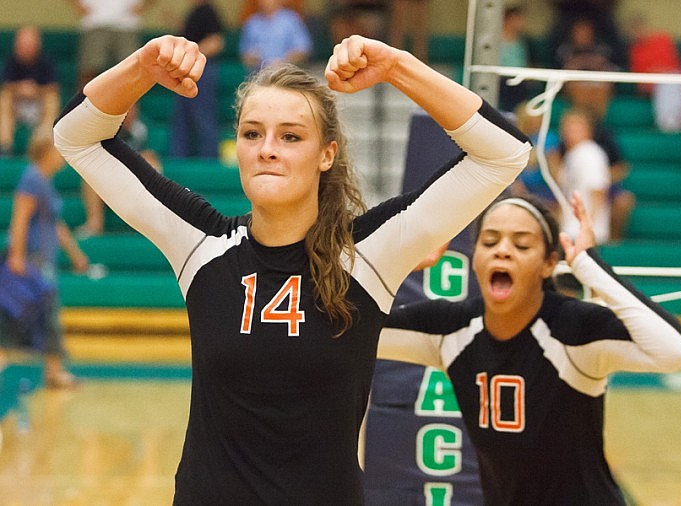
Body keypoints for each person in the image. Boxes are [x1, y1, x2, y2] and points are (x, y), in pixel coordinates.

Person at [53, 34, 532, 503]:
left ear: (327, 154)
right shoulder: (200, 243)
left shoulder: (368, 252)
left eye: (290, 136)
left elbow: (503, 153)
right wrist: (141, 68)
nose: (267, 149)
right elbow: (75, 136)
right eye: (252, 134)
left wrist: (394, 67)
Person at [377, 192, 681, 505]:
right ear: (475, 258)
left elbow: (673, 351)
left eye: (522, 244)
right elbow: (346, 327)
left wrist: (591, 267)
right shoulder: (452, 329)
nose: (502, 251)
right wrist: (395, 264)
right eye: (489, 242)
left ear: (548, 264)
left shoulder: (572, 329)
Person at [0, 128, 89, 388]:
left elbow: (55, 225)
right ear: (46, 151)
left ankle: (53, 370)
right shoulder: (32, 179)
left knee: (44, 314)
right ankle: (53, 371)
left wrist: (76, 254)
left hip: (43, 261)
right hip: (31, 261)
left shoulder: (44, 182)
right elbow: (20, 218)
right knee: (29, 314)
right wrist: (16, 257)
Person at [77, 103, 162, 237]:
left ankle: (152, 221)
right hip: (113, 176)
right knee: (89, 176)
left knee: (151, 161)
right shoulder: (107, 128)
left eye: (132, 108)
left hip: (136, 177)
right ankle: (94, 222)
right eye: (125, 109)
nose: (128, 113)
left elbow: (151, 155)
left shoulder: (145, 128)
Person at [168, 0, 225, 158]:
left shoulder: (208, 10)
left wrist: (193, 55)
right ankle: (177, 161)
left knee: (203, 118)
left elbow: (216, 42)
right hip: (186, 70)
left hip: (201, 71)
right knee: (181, 120)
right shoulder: (193, 11)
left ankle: (210, 164)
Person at [0, 26, 60, 156]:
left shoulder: (46, 61)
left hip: (39, 106)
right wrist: (20, 88)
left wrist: (35, 90)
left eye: (29, 45)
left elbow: (53, 87)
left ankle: (44, 145)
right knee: (5, 97)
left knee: (51, 99)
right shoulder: (12, 60)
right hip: (17, 106)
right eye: (23, 45)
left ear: (37, 45)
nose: (26, 49)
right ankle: (5, 146)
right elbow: (6, 85)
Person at [67, 0, 155, 87]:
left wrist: (142, 6)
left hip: (127, 24)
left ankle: (131, 101)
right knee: (89, 70)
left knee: (131, 71)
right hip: (94, 22)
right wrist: (79, 5)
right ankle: (85, 100)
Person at [628, 13, 681, 132]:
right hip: (651, 85)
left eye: (640, 27)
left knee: (672, 78)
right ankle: (667, 121)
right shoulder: (635, 50)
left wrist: (656, 70)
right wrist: (657, 71)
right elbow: (640, 76)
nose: (638, 32)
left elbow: (672, 64)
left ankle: (676, 118)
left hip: (672, 79)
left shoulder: (662, 39)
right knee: (668, 79)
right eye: (634, 30)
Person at [557, 106, 612, 244]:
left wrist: (588, 229)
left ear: (588, 129)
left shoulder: (590, 154)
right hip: (571, 229)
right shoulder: (572, 154)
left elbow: (598, 192)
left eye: (575, 126)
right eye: (567, 126)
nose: (569, 131)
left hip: (584, 234)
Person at [556, 17, 618, 121]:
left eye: (586, 32)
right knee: (578, 90)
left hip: (596, 81)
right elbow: (564, 69)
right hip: (576, 82)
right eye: (579, 32)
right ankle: (583, 121)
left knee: (602, 88)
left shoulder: (602, 48)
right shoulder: (565, 49)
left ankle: (596, 123)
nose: (583, 35)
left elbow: (609, 67)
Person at [239, 0, 313, 75]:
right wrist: (253, 57)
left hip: (286, 75)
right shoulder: (252, 22)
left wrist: (283, 62)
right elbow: (244, 55)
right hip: (259, 76)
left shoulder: (291, 20)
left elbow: (303, 49)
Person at [497, 5, 535, 112]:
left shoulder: (526, 41)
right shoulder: (494, 41)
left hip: (520, 79)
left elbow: (531, 61)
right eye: (516, 19)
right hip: (501, 80)